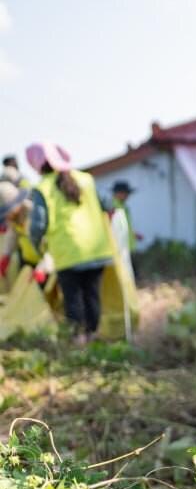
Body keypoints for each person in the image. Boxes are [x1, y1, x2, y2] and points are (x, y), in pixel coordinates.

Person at [25, 142, 115, 344]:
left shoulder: (42, 188)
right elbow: (108, 203)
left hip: (68, 253)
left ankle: (77, 338)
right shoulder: (85, 179)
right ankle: (93, 335)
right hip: (96, 249)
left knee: (73, 299)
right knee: (92, 295)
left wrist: (37, 248)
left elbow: (38, 225)